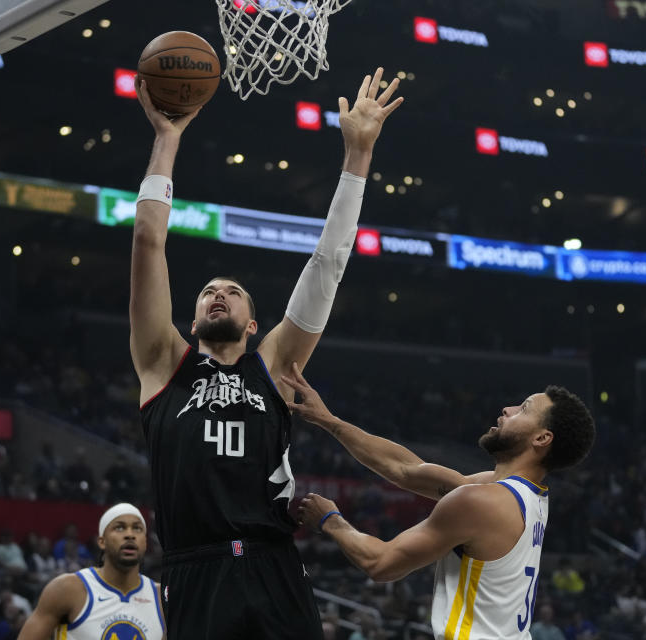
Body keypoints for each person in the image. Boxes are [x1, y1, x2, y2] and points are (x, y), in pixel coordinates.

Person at [129, 66, 402, 640]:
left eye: (231, 292)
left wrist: (357, 157)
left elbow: (328, 265)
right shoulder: (162, 362)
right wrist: (167, 138)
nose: (217, 293)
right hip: (195, 570)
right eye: (207, 291)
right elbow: (149, 241)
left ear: (254, 324)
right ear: (194, 316)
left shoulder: (273, 367)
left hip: (273, 562)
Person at [283, 364, 595, 640]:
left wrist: (331, 520)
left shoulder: (481, 501)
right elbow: (406, 470)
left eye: (524, 410)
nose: (508, 409)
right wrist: (328, 420)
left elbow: (380, 564)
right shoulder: (525, 494)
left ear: (541, 439)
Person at [16, 504, 163, 640]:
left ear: (145, 542)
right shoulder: (68, 588)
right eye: (119, 528)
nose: (130, 535)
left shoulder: (162, 599)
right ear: (101, 541)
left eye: (137, 529)